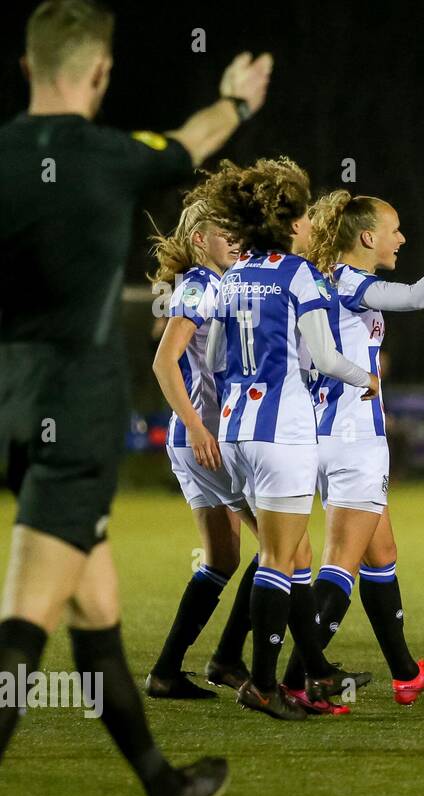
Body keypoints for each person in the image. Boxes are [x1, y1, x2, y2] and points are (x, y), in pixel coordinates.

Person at [0, 0, 271, 796]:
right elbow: (192, 142)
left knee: (97, 607)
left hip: (7, 398)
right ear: (101, 73)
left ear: (26, 65)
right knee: (26, 622)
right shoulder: (109, 158)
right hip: (70, 408)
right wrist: (237, 98)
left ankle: (163, 788)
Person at [280, 189, 424, 706]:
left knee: (382, 555)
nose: (402, 238)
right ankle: (298, 683)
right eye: (394, 230)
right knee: (340, 566)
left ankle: (405, 674)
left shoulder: (316, 279)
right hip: (355, 437)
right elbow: (418, 296)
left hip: (324, 432)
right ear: (366, 237)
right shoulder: (351, 281)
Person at [203, 157, 374, 721]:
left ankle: (319, 671)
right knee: (279, 559)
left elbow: (211, 359)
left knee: (296, 556)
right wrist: (364, 375)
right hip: (284, 432)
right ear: (288, 223)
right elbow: (324, 358)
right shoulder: (299, 275)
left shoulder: (232, 277)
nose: (308, 225)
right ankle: (262, 682)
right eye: (301, 216)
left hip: (235, 431)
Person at [146, 190, 258, 699]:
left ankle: (168, 671)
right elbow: (163, 362)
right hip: (206, 437)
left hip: (194, 439)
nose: (235, 241)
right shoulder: (201, 285)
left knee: (222, 559)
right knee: (286, 546)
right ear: (199, 241)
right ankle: (238, 659)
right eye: (224, 233)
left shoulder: (215, 283)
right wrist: (196, 425)